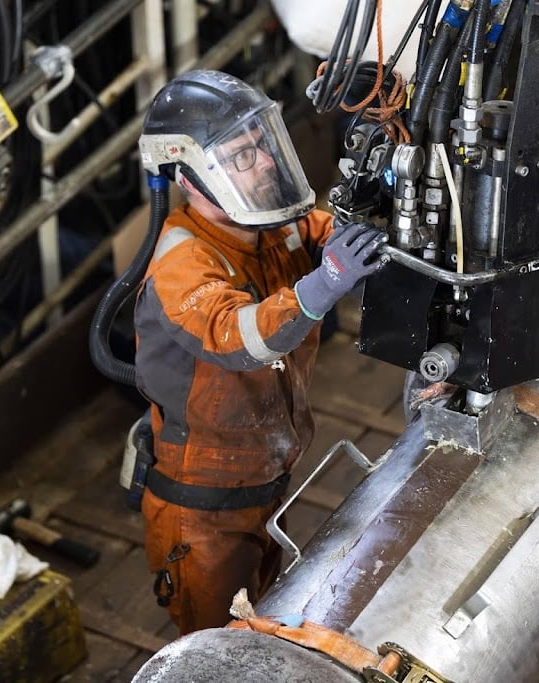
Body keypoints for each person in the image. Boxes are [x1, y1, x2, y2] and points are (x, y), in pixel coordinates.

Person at [132, 69, 385, 634]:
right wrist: (324, 285)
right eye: (242, 157)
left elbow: (321, 235)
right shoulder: (182, 262)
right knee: (220, 651)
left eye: (262, 146)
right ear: (190, 176)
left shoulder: (270, 227)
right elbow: (237, 336)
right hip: (203, 513)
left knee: (268, 628)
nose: (266, 164)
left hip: (268, 484)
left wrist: (367, 226)